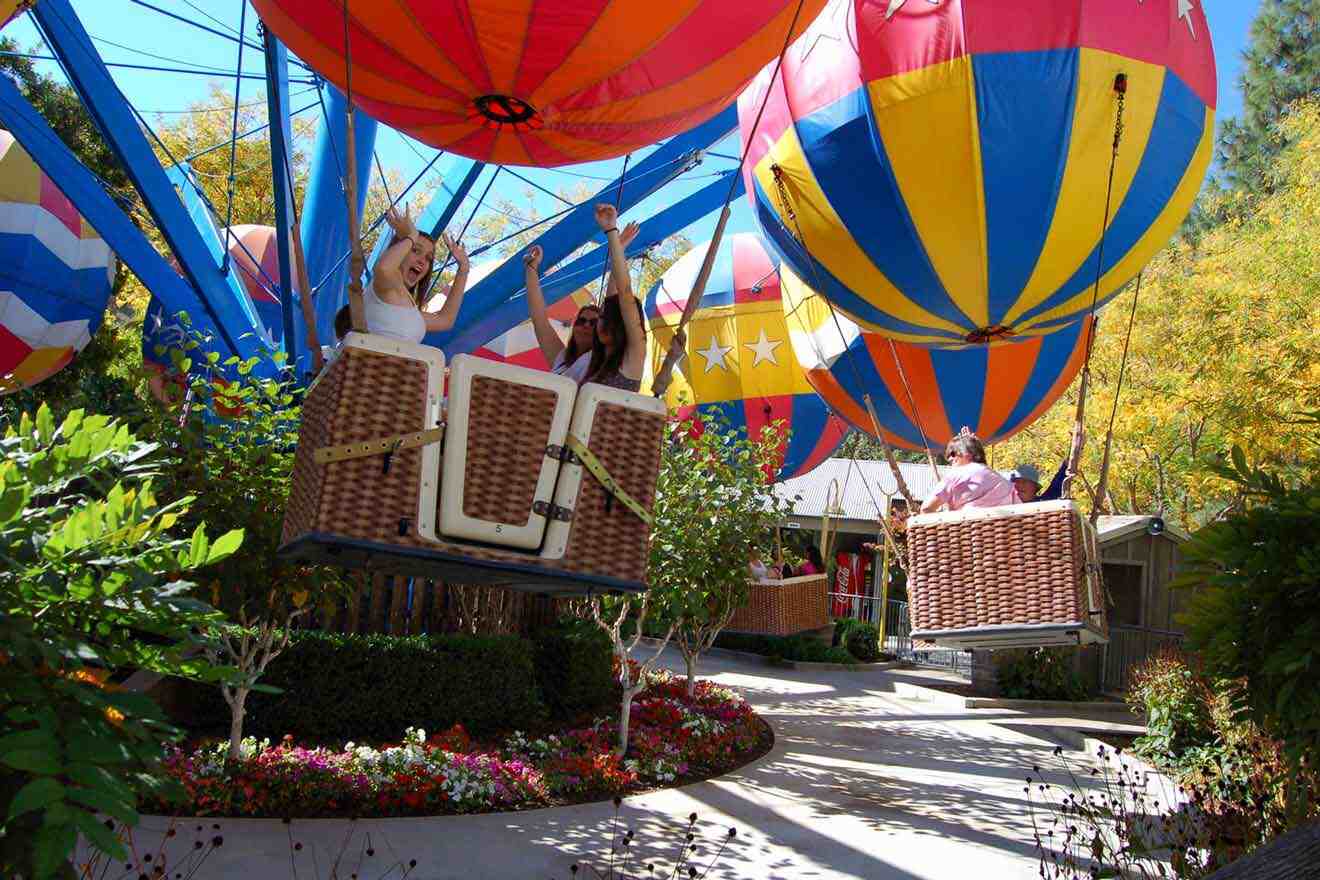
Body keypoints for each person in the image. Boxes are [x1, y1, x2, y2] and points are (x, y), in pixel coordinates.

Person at [523, 224, 640, 383]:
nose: (586, 325)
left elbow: (613, 300)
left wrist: (619, 248)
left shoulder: (604, 357)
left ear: (601, 329)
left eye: (593, 323)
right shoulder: (561, 359)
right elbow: (539, 320)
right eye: (581, 320)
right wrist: (531, 268)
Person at [358, 203, 470, 344]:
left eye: (428, 258)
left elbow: (445, 320)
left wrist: (463, 269)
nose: (422, 261)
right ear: (399, 251)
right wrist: (411, 236)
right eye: (416, 251)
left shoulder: (409, 312)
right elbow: (384, 269)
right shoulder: (384, 287)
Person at [582, 204, 646, 392]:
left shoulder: (634, 355)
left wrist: (611, 232)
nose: (600, 324)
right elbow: (613, 296)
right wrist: (620, 245)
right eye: (601, 319)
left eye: (609, 320)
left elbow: (624, 293)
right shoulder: (600, 361)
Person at [920, 431, 1019, 513]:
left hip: (964, 533)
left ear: (967, 453)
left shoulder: (955, 475)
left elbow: (926, 509)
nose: (950, 458)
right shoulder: (1002, 482)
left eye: (953, 453)